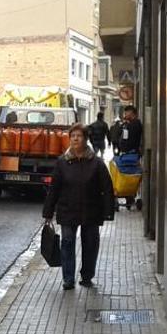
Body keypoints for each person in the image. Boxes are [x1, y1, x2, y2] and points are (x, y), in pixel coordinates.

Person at [42, 123, 114, 290]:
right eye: (72, 136)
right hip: (68, 209)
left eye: (79, 136)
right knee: (67, 243)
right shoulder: (62, 162)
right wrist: (48, 211)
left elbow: (107, 187)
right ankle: (68, 278)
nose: (75, 139)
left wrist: (108, 211)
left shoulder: (96, 163)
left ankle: (87, 276)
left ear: (85, 139)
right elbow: (54, 189)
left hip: (91, 209)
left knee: (90, 244)